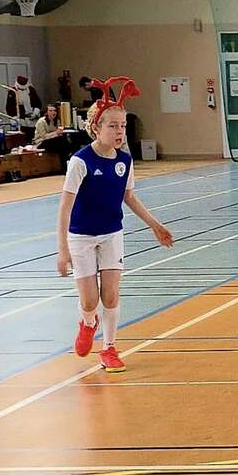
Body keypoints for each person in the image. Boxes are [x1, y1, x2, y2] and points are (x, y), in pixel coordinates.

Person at [57, 77, 174, 373]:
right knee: (89, 301)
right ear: (96, 127)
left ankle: (109, 348)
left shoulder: (124, 161)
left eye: (122, 125)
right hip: (81, 237)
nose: (120, 131)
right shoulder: (80, 162)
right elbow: (65, 208)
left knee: (110, 295)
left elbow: (129, 197)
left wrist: (155, 225)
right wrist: (63, 250)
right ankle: (88, 322)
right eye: (112, 125)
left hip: (111, 234)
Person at [6, 74, 42, 140]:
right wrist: (13, 118)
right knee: (22, 137)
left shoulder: (31, 89)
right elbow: (10, 107)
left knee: (33, 136)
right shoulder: (13, 91)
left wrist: (35, 112)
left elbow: (37, 102)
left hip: (32, 118)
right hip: (20, 118)